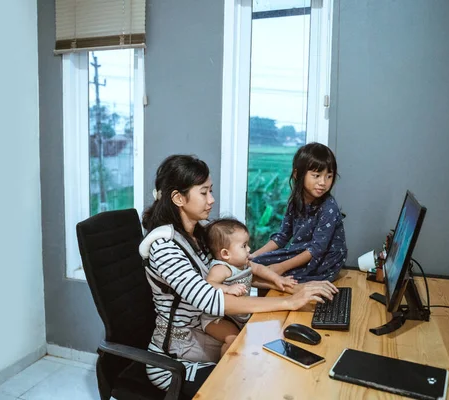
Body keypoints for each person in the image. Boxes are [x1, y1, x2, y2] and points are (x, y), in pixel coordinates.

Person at [139, 154, 338, 397]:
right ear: (179, 198)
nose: (211, 200)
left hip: (202, 337)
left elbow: (235, 274)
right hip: (175, 360)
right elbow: (211, 299)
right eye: (204, 193)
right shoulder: (165, 248)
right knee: (253, 386)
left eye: (210, 191)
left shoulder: (199, 233)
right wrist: (289, 301)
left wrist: (293, 288)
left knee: (274, 358)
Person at [250, 142, 347, 283]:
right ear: (297, 174)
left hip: (324, 260)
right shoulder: (295, 201)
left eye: (329, 176)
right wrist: (254, 255)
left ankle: (279, 297)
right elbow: (282, 237)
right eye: (317, 175)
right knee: (252, 266)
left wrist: (281, 267)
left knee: (268, 274)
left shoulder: (328, 207)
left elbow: (317, 249)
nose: (323, 182)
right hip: (300, 252)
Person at [201, 218, 297, 356]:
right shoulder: (221, 268)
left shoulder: (244, 264)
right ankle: (223, 369)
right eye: (244, 246)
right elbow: (209, 284)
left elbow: (260, 269)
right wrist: (227, 289)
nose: (249, 249)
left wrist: (278, 279)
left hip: (237, 314)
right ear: (225, 254)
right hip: (217, 319)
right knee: (233, 339)